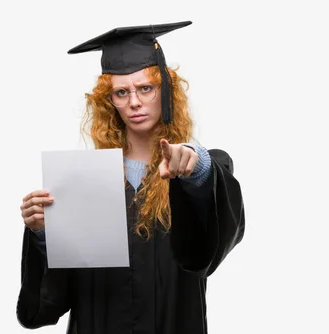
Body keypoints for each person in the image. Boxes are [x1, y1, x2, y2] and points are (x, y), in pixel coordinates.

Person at [16, 21, 245, 334]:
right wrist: (44, 233)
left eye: (146, 88)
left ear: (167, 92)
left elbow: (207, 249)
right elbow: (48, 305)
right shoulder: (84, 183)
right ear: (109, 102)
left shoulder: (195, 170)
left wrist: (196, 166)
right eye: (121, 92)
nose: (134, 102)